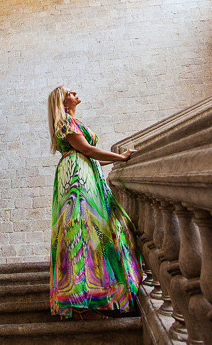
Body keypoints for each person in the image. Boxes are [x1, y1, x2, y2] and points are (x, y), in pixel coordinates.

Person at [47, 85, 142, 320]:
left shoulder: (73, 123)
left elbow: (89, 153)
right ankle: (86, 299)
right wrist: (119, 157)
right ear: (63, 101)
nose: (75, 93)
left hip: (86, 173)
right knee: (82, 232)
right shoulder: (67, 124)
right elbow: (87, 149)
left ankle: (99, 297)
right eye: (70, 92)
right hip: (77, 178)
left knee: (97, 230)